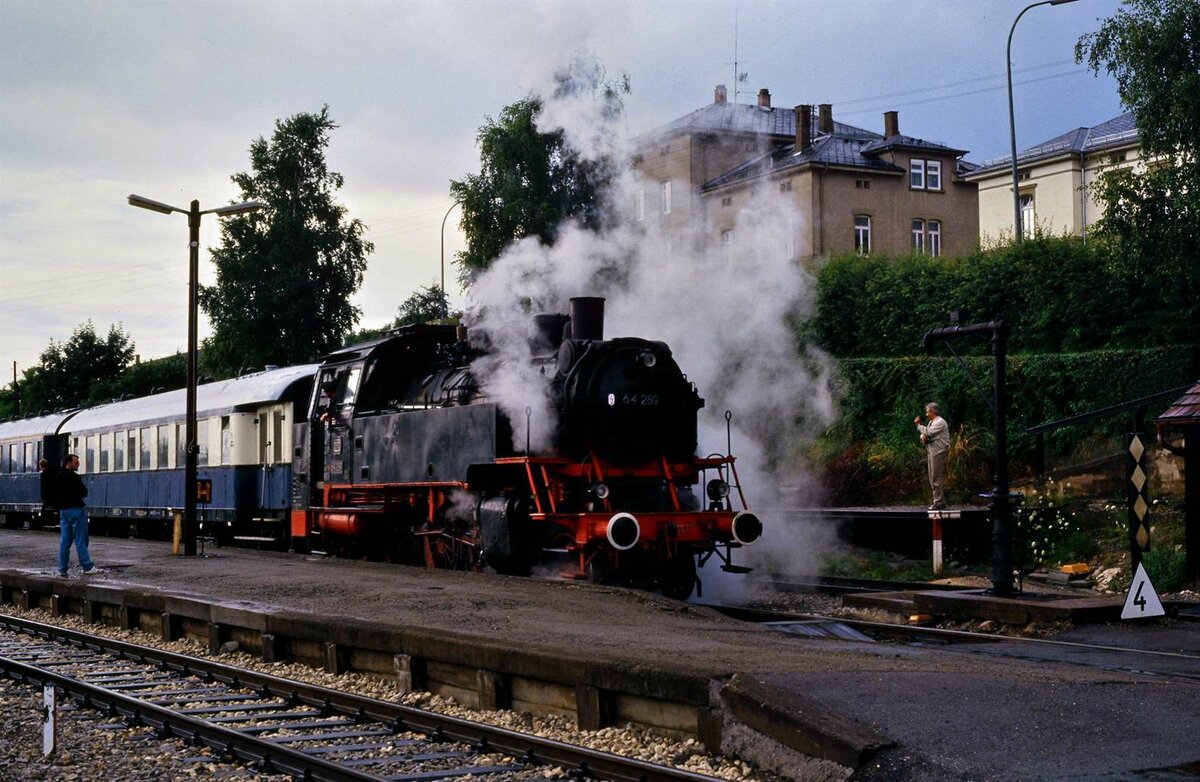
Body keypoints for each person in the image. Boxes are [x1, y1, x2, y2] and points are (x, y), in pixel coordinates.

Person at [54, 454, 101, 576]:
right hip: (76, 509)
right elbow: (84, 492)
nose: (78, 464)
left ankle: (62, 569)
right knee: (80, 540)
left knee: (65, 541)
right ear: (68, 463)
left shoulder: (58, 476)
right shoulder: (74, 477)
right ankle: (87, 566)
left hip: (64, 511)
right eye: (76, 462)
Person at [914, 402, 950, 510]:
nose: (926, 413)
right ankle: (940, 501)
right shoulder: (931, 422)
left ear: (932, 411)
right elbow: (924, 435)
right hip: (931, 451)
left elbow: (928, 432)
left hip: (938, 451)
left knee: (935, 477)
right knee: (932, 477)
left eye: (927, 411)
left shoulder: (940, 422)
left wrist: (918, 425)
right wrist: (923, 437)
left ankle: (938, 502)